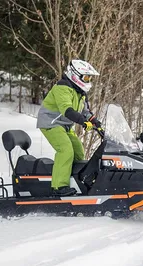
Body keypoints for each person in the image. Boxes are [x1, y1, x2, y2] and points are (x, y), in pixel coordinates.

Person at [36, 59, 103, 196]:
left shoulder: (79, 92)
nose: (88, 80)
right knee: (65, 150)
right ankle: (59, 187)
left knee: (78, 151)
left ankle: (76, 182)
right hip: (51, 123)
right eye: (86, 77)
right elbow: (67, 110)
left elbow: (85, 111)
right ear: (75, 75)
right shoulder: (62, 88)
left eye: (89, 78)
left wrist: (95, 122)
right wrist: (83, 122)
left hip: (64, 125)